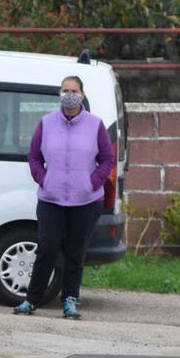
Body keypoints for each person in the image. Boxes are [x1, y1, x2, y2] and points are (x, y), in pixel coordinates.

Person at [14, 76, 114, 319]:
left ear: (82, 94)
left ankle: (70, 300)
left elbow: (107, 158)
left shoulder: (95, 124)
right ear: (59, 93)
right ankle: (32, 299)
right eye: (65, 90)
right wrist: (43, 178)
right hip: (51, 198)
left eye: (74, 90)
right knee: (46, 249)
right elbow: (34, 155)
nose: (69, 94)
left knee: (75, 252)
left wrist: (93, 182)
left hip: (86, 201)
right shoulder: (47, 123)